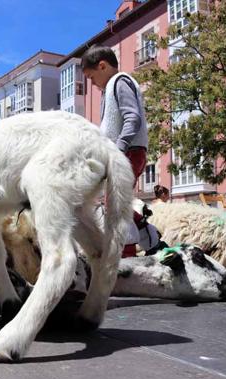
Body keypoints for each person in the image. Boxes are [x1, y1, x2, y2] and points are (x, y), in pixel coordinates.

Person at [81, 45, 162, 257]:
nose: (92, 83)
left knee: (115, 208)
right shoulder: (110, 88)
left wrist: (119, 149)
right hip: (124, 154)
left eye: (91, 78)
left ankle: (125, 257)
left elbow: (132, 117)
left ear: (102, 66)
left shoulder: (120, 82)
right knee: (115, 203)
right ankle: (147, 234)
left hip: (127, 154)